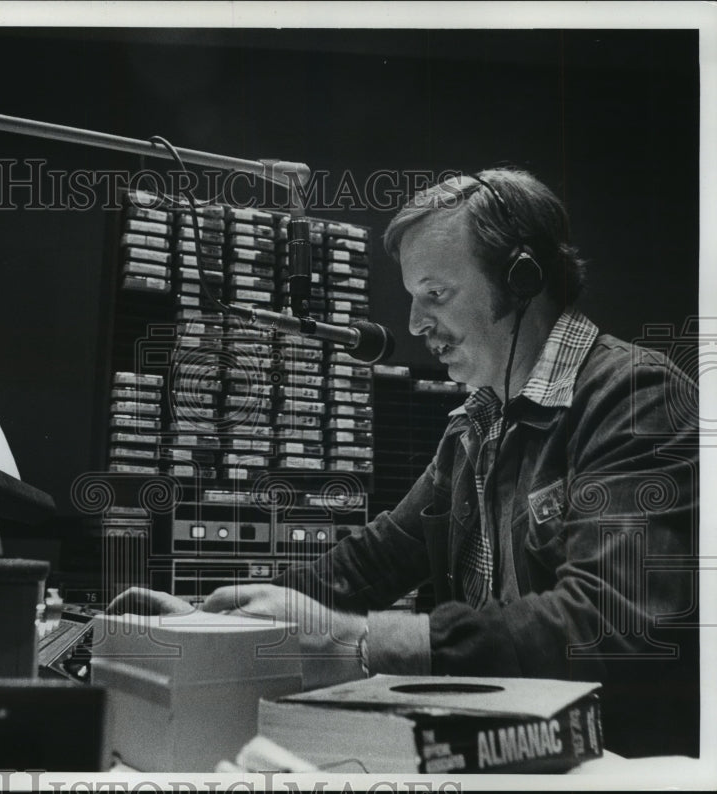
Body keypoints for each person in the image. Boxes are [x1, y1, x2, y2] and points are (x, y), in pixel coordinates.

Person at [107, 169, 699, 758]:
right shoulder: (479, 424)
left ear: (522, 280)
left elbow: (609, 622)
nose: (416, 325)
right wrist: (219, 623)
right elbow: (374, 560)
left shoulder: (633, 398)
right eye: (414, 299)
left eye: (436, 295)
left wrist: (364, 640)